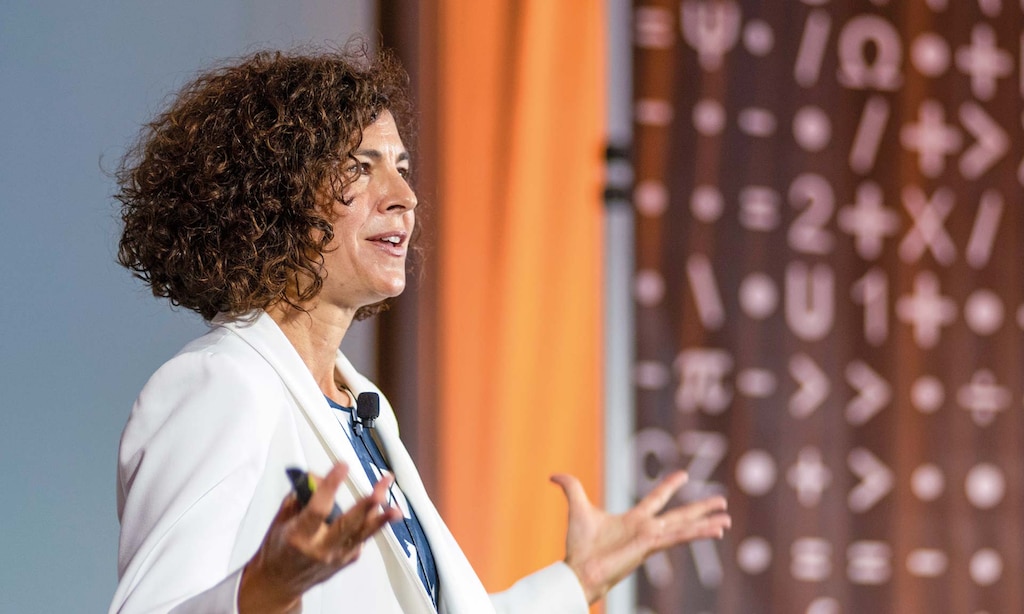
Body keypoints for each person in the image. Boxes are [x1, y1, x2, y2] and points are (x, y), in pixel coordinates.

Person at [110, 45, 731, 614]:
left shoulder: (364, 411)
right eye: (363, 166)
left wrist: (579, 577)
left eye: (402, 167)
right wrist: (262, 592)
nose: (405, 194)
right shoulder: (220, 383)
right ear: (272, 196)